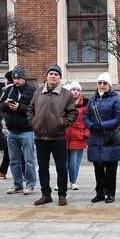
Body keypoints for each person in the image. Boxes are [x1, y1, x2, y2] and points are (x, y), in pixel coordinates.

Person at [28, 64, 77, 207]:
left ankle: (62, 194)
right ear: (47, 76)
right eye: (51, 74)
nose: (53, 76)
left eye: (56, 74)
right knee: (42, 167)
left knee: (61, 167)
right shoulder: (37, 93)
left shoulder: (66, 95)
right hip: (40, 137)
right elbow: (30, 110)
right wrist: (33, 123)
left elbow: (73, 113)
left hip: (58, 137)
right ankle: (46, 194)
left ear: (60, 77)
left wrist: (62, 123)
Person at [84, 72, 120, 203]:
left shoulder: (115, 99)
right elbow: (86, 117)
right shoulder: (92, 99)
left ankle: (110, 193)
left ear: (109, 85)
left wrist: (102, 125)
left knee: (111, 167)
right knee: (98, 167)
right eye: (100, 83)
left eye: (105, 83)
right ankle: (100, 192)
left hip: (109, 137)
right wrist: (91, 126)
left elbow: (119, 118)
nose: (102, 85)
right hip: (95, 138)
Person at [1, 65, 37, 195]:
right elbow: (0, 107)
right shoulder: (9, 90)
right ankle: (17, 184)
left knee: (29, 160)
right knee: (14, 160)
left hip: (26, 130)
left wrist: (20, 107)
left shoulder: (32, 90)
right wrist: (5, 105)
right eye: (14, 78)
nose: (16, 81)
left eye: (19, 78)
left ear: (24, 78)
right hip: (11, 131)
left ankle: (31, 184)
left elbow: (35, 110)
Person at [64, 81, 88, 191]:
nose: (76, 92)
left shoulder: (85, 105)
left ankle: (73, 181)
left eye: (78, 90)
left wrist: (85, 134)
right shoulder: (64, 103)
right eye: (74, 90)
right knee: (63, 161)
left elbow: (88, 120)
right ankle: (62, 181)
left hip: (78, 136)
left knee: (74, 162)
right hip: (64, 136)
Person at [0, 70, 14, 179]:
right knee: (8, 148)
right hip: (9, 123)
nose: (3, 81)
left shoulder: (9, 89)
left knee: (13, 148)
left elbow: (0, 107)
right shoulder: (10, 89)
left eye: (5, 78)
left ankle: (23, 172)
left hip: (8, 123)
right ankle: (2, 170)